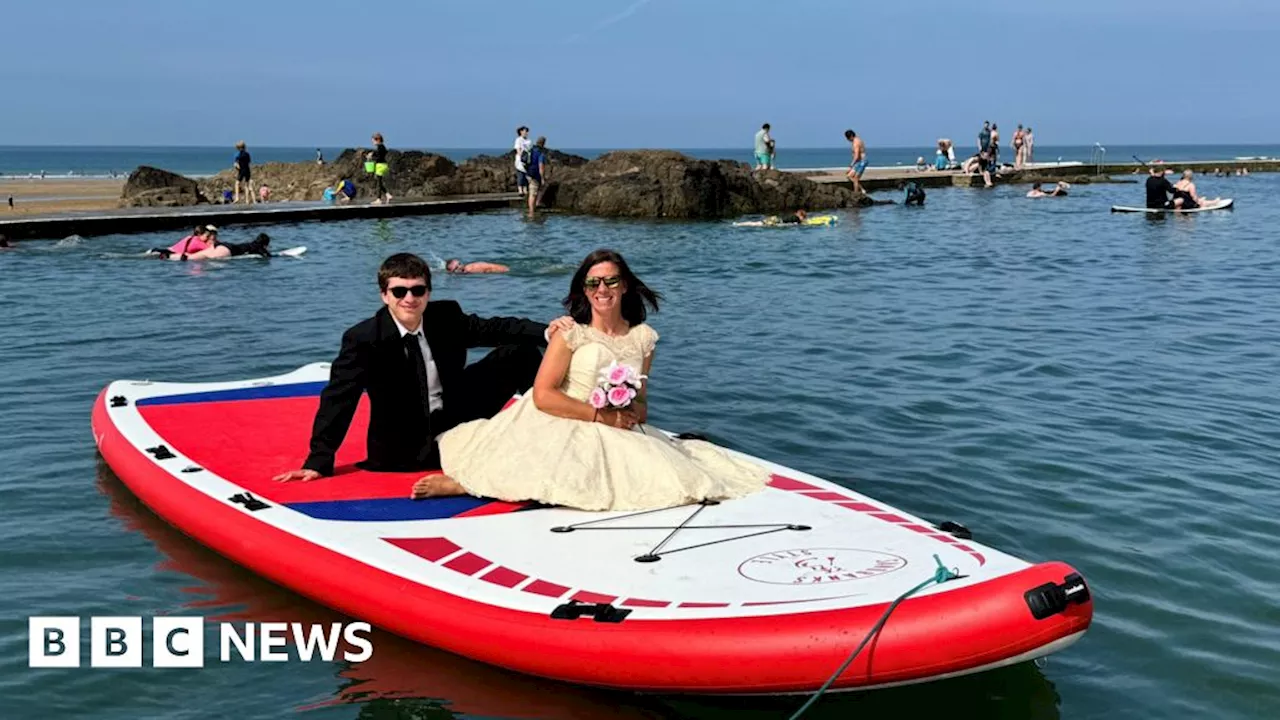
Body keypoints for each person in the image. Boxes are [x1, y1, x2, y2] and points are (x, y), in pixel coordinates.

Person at [415, 249, 770, 511]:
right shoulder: (572, 334)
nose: (603, 288)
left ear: (625, 286)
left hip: (616, 425)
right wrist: (599, 414)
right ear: (584, 290)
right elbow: (542, 395)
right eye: (593, 282)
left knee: (678, 481)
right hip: (561, 416)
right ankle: (469, 482)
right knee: (542, 469)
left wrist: (632, 412)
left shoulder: (644, 338)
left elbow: (642, 400)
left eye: (611, 280)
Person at [272, 253, 575, 485]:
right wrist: (318, 461)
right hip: (405, 444)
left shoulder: (445, 316)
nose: (409, 298)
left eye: (418, 290)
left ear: (428, 292)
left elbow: (496, 327)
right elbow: (339, 398)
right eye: (399, 291)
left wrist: (549, 331)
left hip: (455, 414)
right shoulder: (364, 339)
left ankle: (558, 430)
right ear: (384, 295)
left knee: (520, 353)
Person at [526, 136, 549, 217]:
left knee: (540, 188)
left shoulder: (531, 150)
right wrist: (542, 178)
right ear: (543, 144)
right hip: (535, 175)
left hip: (528, 173)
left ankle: (536, 204)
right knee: (533, 193)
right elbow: (541, 167)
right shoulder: (540, 153)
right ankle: (531, 212)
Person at [367, 133, 392, 204]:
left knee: (378, 183)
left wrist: (372, 157)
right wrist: (372, 154)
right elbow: (380, 153)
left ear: (377, 140)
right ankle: (388, 195)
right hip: (383, 165)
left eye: (373, 141)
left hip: (380, 166)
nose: (373, 142)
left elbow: (379, 157)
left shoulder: (380, 146)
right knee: (379, 182)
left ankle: (379, 199)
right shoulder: (382, 147)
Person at [844, 129, 866, 194]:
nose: (848, 140)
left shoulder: (856, 143)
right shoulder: (857, 140)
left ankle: (856, 193)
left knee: (855, 178)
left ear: (850, 136)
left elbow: (856, 156)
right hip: (859, 161)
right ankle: (862, 190)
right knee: (849, 176)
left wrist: (851, 165)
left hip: (861, 161)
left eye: (847, 138)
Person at [514, 126, 532, 197]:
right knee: (520, 175)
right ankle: (520, 190)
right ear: (521, 132)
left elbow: (530, 150)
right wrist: (521, 156)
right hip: (520, 160)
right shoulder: (518, 139)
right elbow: (518, 149)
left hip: (528, 160)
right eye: (525, 131)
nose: (526, 132)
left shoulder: (529, 141)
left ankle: (525, 189)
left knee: (526, 176)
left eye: (527, 131)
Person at [446, 258, 510, 274]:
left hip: (503, 270)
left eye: (459, 264)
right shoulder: (468, 267)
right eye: (457, 267)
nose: (460, 267)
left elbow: (488, 269)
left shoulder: (468, 268)